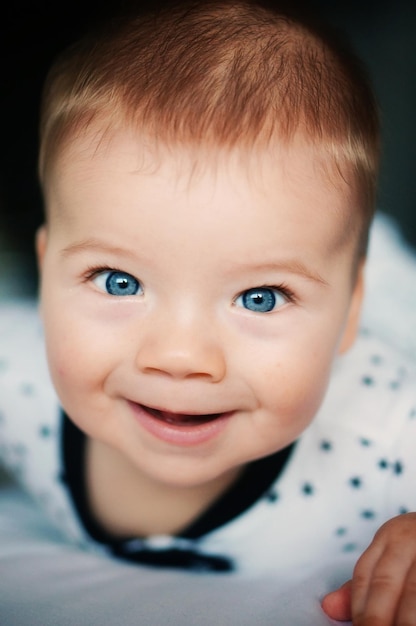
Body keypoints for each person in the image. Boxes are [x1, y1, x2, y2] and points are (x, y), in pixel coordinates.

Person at [1, 0, 416, 623]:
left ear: (347, 314)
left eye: (260, 298)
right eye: (118, 282)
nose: (179, 357)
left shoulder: (383, 430)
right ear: (48, 267)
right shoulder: (17, 372)